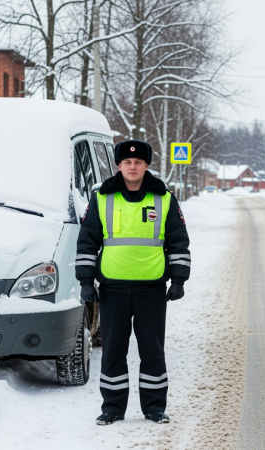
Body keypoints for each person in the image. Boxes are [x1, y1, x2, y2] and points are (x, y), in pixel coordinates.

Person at [75, 139, 190, 426]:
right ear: (119, 165)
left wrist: (178, 279)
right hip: (112, 289)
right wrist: (86, 282)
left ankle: (154, 407)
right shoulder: (102, 198)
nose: (133, 166)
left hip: (151, 289)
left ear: (146, 165)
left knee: (153, 351)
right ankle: (112, 408)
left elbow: (178, 242)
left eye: (138, 162)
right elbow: (87, 243)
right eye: (127, 162)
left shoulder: (164, 199)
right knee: (113, 350)